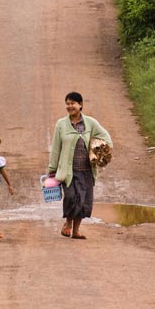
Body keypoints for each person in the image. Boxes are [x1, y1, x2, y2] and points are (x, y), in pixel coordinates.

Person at [48, 92, 112, 239]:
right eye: (68, 103)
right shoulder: (61, 125)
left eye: (73, 103)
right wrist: (52, 170)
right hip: (67, 171)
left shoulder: (90, 123)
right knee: (71, 197)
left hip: (86, 171)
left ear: (81, 105)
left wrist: (101, 149)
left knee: (83, 201)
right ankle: (68, 223)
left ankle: (76, 230)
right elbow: (56, 147)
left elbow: (106, 137)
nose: (70, 106)